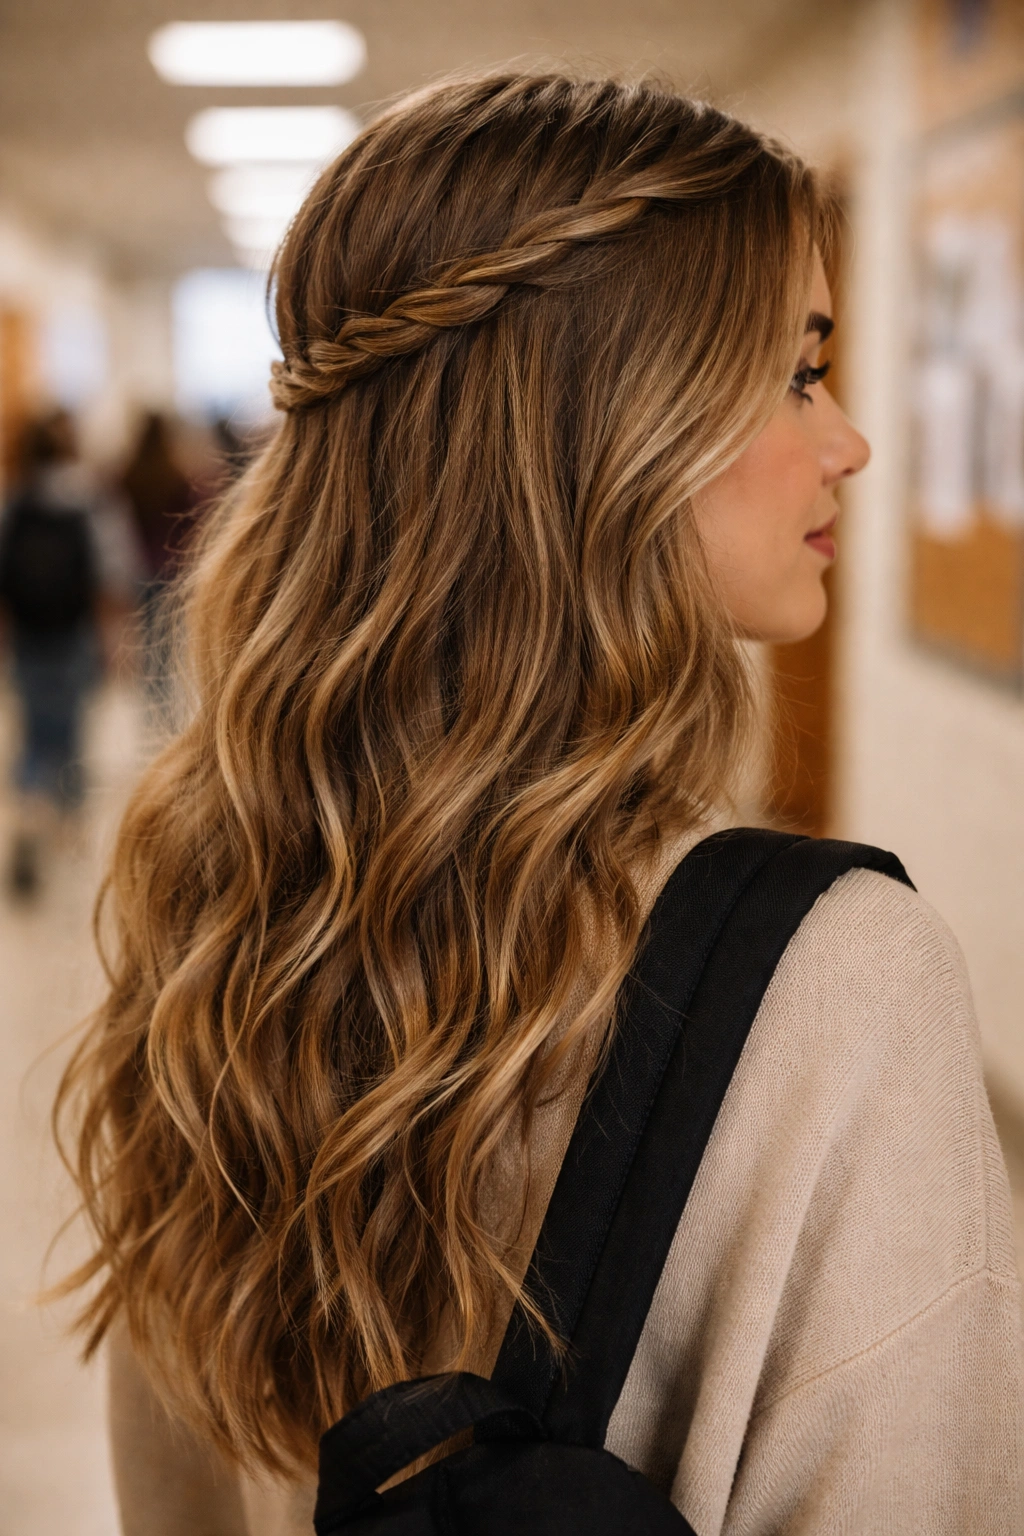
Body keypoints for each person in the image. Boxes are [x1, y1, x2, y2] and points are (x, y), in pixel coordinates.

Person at [55, 76, 1022, 1533]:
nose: (849, 446)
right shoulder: (846, 981)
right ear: (617, 422)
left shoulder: (229, 909)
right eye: (799, 373)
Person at [0, 409, 101, 895]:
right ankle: (70, 825)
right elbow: (109, 569)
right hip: (73, 632)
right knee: (73, 729)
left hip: (27, 635)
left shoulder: (14, 502)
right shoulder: (86, 498)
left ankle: (28, 805)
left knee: (35, 733)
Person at [119, 411, 198, 717]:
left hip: (138, 568)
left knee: (148, 636)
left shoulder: (128, 474)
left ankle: (152, 701)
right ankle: (165, 703)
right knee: (170, 638)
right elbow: (191, 525)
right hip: (173, 569)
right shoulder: (178, 474)